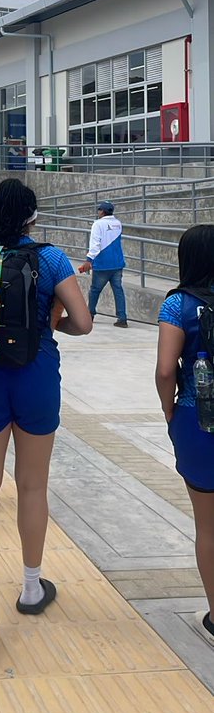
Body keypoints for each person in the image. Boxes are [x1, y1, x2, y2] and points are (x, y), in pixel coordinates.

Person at [0, 179, 92, 636]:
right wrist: (52, 323)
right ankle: (30, 587)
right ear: (31, 215)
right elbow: (84, 322)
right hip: (35, 375)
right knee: (32, 485)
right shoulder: (50, 258)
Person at [156, 224, 214, 646]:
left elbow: (165, 370)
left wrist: (169, 408)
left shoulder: (178, 304)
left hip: (199, 420)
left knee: (208, 527)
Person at [80, 199, 128, 328]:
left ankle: (90, 314)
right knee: (118, 290)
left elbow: (95, 244)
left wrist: (89, 260)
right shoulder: (118, 223)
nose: (98, 212)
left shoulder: (98, 224)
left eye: (99, 209)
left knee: (95, 290)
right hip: (117, 263)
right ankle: (122, 318)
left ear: (102, 212)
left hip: (102, 263)